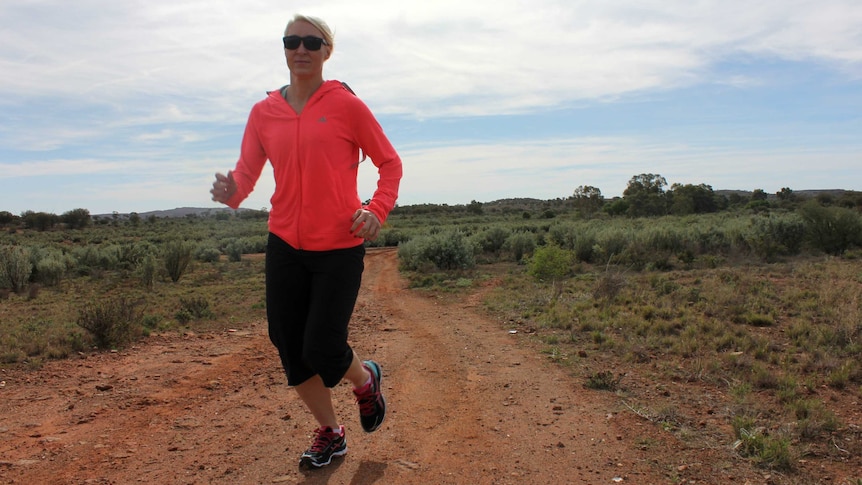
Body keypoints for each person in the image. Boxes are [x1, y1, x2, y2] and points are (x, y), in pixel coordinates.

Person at [210, 13, 402, 470]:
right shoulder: (263, 113)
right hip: (285, 246)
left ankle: (364, 379)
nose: (301, 49)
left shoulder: (347, 106)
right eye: (292, 41)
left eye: (311, 43)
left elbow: (389, 164)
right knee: (289, 344)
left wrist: (375, 211)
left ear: (326, 52)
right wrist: (229, 192)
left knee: (322, 344)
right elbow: (245, 181)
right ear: (284, 48)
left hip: (339, 243)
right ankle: (331, 432)